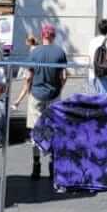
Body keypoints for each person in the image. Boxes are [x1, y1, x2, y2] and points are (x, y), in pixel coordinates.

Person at [26, 22, 68, 181]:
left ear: (42, 35)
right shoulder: (60, 53)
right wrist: (59, 89)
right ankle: (52, 163)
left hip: (36, 95)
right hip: (54, 95)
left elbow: (29, 76)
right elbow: (63, 76)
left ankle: (36, 165)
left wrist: (29, 90)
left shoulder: (34, 52)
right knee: (53, 130)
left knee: (35, 131)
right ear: (54, 36)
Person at [90, 18, 107, 97]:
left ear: (98, 28)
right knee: (105, 101)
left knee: (93, 101)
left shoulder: (92, 41)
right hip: (103, 74)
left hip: (92, 73)